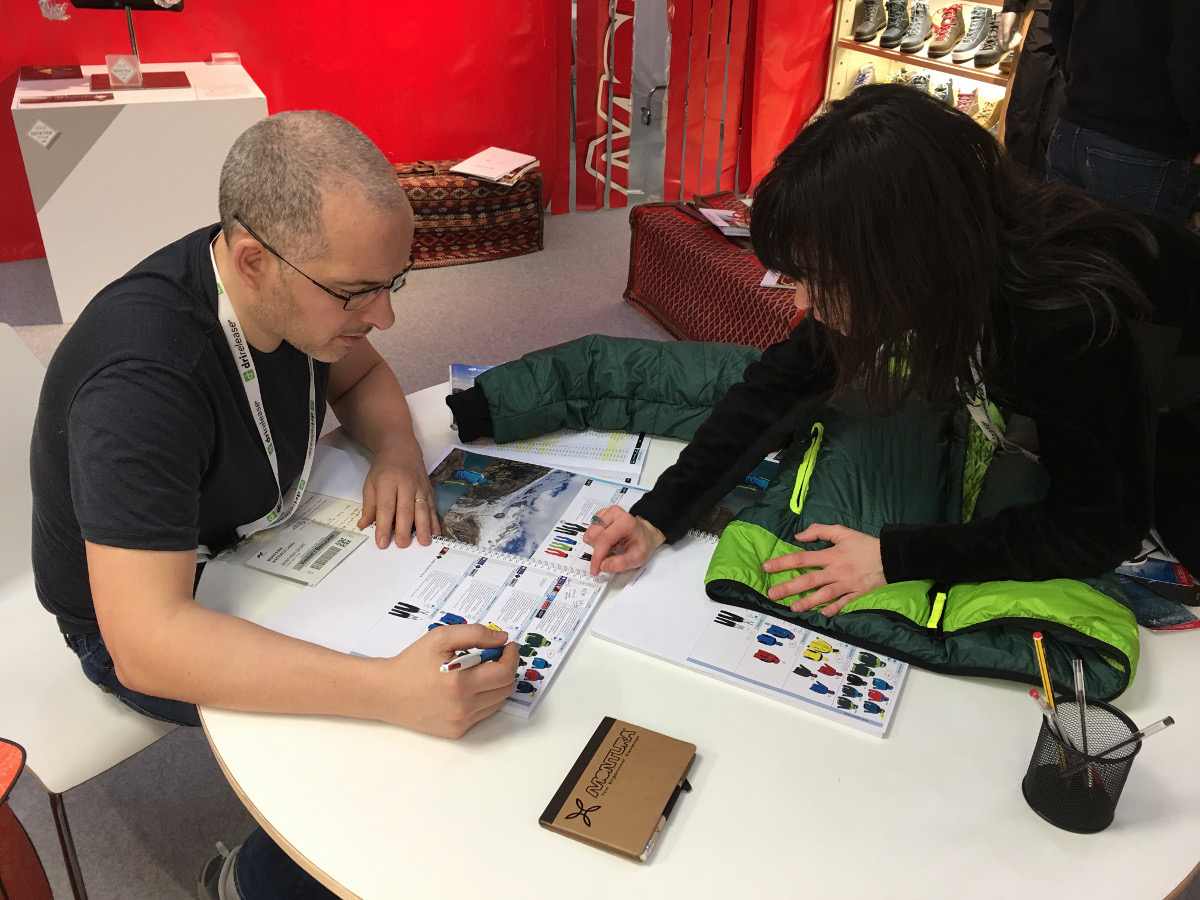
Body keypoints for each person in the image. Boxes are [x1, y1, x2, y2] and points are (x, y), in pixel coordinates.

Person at [29, 111, 519, 900]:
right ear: (254, 261)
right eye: (361, 293)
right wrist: (382, 691)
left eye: (393, 283)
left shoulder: (289, 281)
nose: (384, 318)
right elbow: (144, 644)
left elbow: (361, 377)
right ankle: (251, 884)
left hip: (248, 542)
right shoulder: (142, 382)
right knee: (390, 729)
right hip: (134, 615)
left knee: (426, 665)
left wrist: (395, 450)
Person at [582, 84, 1200, 614]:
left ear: (896, 263)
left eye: (808, 280)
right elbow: (780, 386)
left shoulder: (1067, 319)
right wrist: (659, 514)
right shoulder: (922, 259)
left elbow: (1099, 525)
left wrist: (896, 556)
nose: (798, 305)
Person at [1044, 0, 1200, 224]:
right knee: (1132, 256)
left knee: (1060, 253)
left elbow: (1059, 19)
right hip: (1144, 145)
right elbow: (1189, 64)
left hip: (1072, 131)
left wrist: (1080, 85)